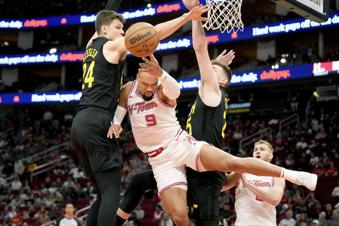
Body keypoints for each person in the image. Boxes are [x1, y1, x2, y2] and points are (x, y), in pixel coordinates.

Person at [108, 53, 317, 225]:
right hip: (165, 160)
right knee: (172, 210)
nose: (207, 71)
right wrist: (116, 122)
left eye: (213, 70)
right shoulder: (134, 89)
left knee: (230, 169)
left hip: (189, 150)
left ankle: (295, 175)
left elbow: (179, 85)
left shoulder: (208, 94)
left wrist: (165, 72)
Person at [70, 0, 208, 225]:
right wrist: (186, 18)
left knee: (102, 193)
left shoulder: (90, 47)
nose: (123, 32)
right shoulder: (110, 46)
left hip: (79, 124)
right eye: (118, 28)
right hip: (98, 120)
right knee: (112, 191)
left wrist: (112, 7)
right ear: (104, 30)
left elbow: (103, 16)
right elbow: (151, 34)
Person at [222, 140, 286, 226]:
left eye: (262, 149)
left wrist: (248, 184)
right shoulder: (242, 171)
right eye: (255, 150)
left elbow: (274, 199)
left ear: (271, 156)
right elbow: (223, 187)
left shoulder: (276, 174)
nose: (258, 151)